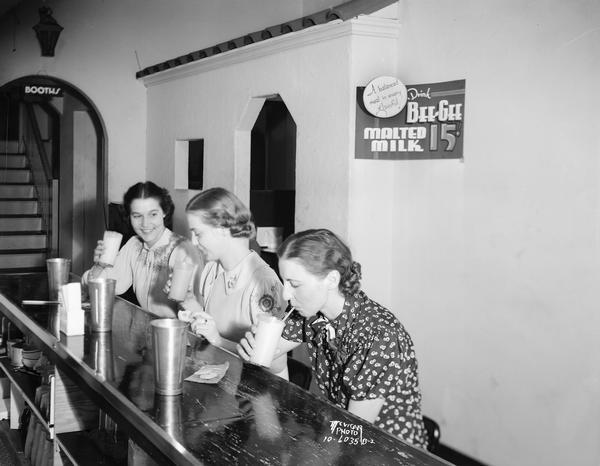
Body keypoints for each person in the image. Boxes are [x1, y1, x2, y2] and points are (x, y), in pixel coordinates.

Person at [237, 228, 428, 449]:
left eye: (295, 284)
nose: (286, 295)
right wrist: (262, 351)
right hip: (340, 434)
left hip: (390, 450)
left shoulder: (379, 335)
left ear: (331, 279)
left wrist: (306, 438)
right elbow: (274, 358)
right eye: (284, 282)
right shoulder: (311, 313)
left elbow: (355, 433)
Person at [179, 187, 286, 356]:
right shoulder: (212, 270)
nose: (194, 242)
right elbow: (210, 324)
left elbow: (270, 360)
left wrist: (218, 340)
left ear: (222, 228)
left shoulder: (264, 283)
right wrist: (188, 301)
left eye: (198, 234)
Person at [82, 181, 202, 318]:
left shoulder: (184, 251)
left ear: (165, 212)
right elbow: (101, 286)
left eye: (153, 214)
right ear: (129, 216)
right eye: (137, 216)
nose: (145, 224)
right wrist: (100, 265)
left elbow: (197, 313)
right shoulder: (135, 244)